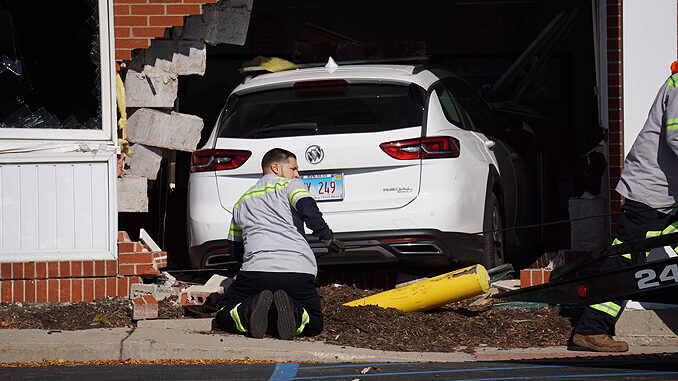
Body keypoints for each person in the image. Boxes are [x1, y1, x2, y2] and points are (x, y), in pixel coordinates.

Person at [572, 62, 678, 352]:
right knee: (625, 258)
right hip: (650, 193)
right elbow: (675, 136)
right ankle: (591, 328)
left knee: (632, 256)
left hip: (662, 194)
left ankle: (592, 328)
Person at [214, 148, 345, 340]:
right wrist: (327, 238)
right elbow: (308, 208)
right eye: (293, 168)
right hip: (297, 271)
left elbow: (235, 249)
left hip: (257, 272)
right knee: (315, 321)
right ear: (276, 167)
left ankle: (248, 310)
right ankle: (295, 314)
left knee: (222, 313)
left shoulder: (242, 201)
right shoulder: (291, 186)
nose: (297, 174)